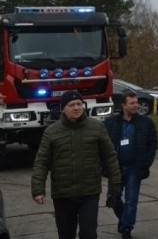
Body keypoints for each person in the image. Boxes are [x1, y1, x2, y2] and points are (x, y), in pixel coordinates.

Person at [31, 90, 122, 239]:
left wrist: (115, 185)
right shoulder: (51, 132)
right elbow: (41, 162)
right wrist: (37, 189)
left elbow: (110, 157)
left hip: (89, 192)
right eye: (71, 105)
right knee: (66, 235)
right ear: (63, 109)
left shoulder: (96, 127)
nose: (76, 108)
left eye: (79, 104)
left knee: (88, 233)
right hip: (63, 194)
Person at [104, 90, 158, 239]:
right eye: (132, 103)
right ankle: (124, 219)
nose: (136, 106)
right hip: (116, 168)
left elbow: (152, 144)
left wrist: (146, 162)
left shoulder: (146, 123)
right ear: (123, 105)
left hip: (135, 167)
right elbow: (103, 144)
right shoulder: (111, 123)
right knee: (113, 199)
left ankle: (126, 228)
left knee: (131, 200)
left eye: (137, 103)